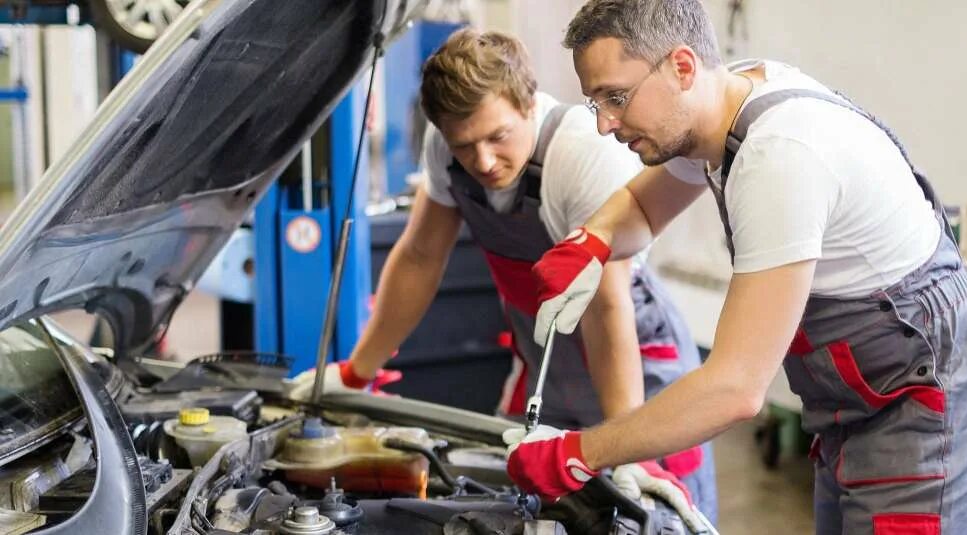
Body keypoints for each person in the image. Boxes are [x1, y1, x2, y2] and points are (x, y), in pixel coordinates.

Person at [503, 1, 967, 533]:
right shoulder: (726, 101)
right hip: (853, 413)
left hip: (925, 416)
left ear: (683, 66)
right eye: (595, 101)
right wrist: (591, 240)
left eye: (616, 98)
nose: (604, 125)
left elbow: (734, 388)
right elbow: (646, 209)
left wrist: (579, 452)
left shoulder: (778, 157)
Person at [292, 28, 717, 519]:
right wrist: (357, 372)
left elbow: (605, 305)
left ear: (528, 103)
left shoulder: (580, 156)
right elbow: (420, 258)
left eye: (498, 137)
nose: (484, 161)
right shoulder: (448, 147)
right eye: (465, 145)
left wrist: (629, 445)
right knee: (513, 506)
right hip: (545, 359)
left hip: (634, 362)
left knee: (653, 516)